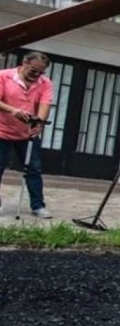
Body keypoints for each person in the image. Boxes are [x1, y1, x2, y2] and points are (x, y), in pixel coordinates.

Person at [0, 51, 54, 218]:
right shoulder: (4, 76)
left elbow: (45, 105)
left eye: (41, 72)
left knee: (33, 170)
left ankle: (38, 206)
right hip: (1, 130)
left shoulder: (45, 83)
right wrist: (13, 111)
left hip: (26, 134)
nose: (36, 75)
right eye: (33, 70)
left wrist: (39, 124)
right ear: (24, 63)